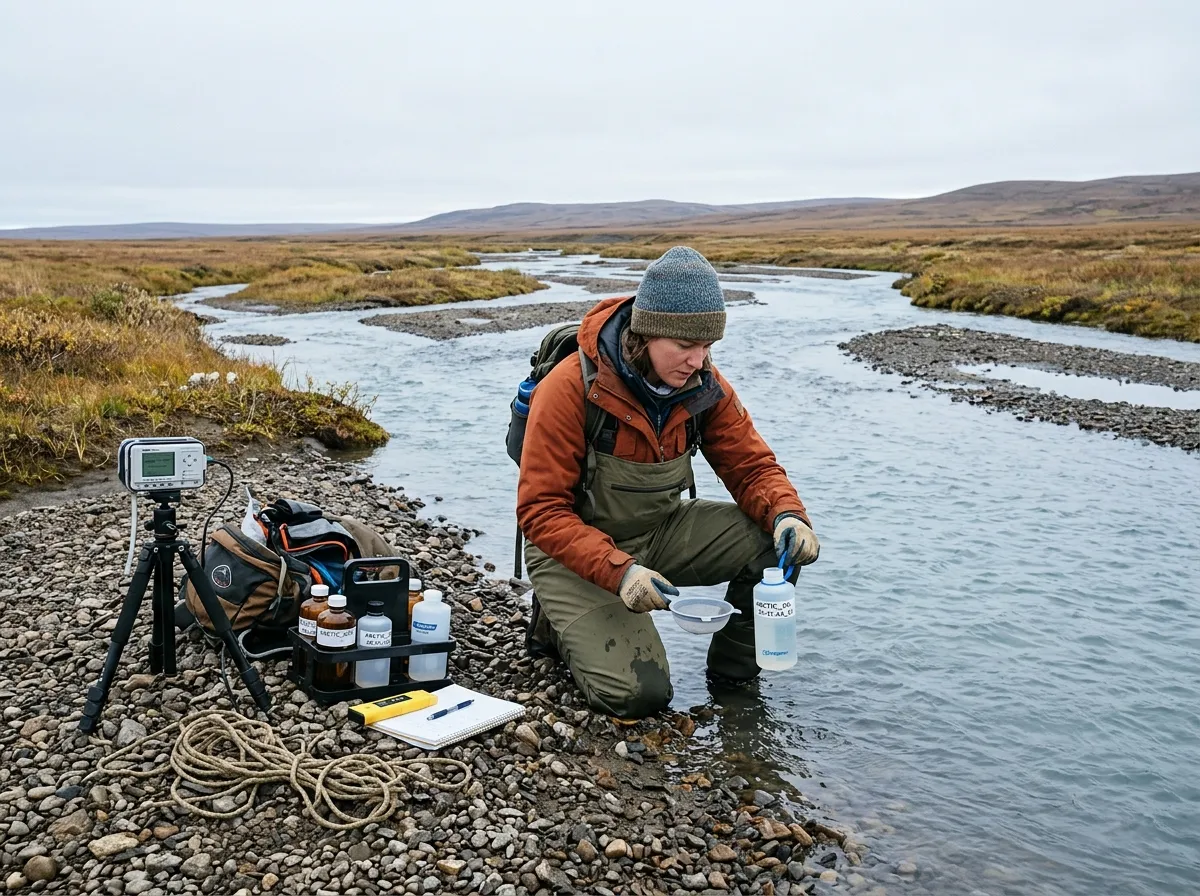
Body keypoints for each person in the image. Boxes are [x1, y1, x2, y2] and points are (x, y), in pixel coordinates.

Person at [516, 246, 818, 719]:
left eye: (707, 347)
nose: (698, 361)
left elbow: (751, 466)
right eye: (684, 346)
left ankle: (734, 686)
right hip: (571, 554)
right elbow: (540, 511)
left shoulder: (703, 384)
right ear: (647, 332)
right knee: (641, 696)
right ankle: (557, 622)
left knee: (770, 544)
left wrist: (787, 514)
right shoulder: (569, 388)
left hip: (660, 530)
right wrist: (621, 572)